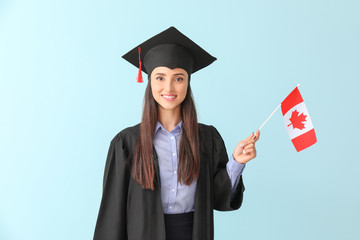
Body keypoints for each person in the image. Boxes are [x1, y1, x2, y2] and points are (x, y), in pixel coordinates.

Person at [93, 26, 260, 240]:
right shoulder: (126, 143)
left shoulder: (207, 139)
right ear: (149, 81)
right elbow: (112, 215)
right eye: (160, 78)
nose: (169, 88)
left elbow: (218, 198)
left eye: (178, 78)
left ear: (188, 82)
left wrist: (236, 162)